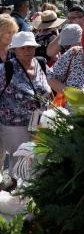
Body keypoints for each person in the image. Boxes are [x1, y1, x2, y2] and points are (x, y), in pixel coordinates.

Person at [0, 31, 51, 184]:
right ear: (14, 50)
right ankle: (21, 197)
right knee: (20, 162)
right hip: (14, 125)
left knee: (37, 160)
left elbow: (52, 82)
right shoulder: (5, 69)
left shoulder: (41, 64)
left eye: (31, 47)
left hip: (39, 122)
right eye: (22, 48)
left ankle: (33, 193)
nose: (28, 51)